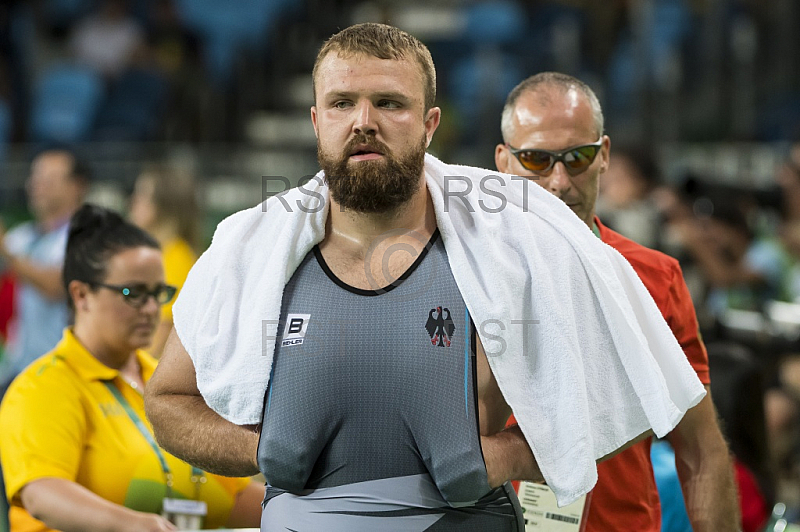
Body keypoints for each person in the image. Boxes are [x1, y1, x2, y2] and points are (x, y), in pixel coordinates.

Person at [144, 24, 705, 531]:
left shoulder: (515, 241)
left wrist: (506, 456)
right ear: (317, 120)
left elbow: (639, 388)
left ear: (430, 123)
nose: (365, 121)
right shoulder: (249, 247)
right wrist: (257, 451)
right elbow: (167, 400)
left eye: (390, 103)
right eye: (343, 103)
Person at [494, 71, 739, 532]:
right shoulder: (461, 274)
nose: (559, 181)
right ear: (503, 162)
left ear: (604, 154)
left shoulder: (656, 277)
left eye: (578, 157)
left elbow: (701, 448)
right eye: (536, 160)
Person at [0, 204, 263, 531]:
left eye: (159, 293)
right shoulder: (42, 387)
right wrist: (131, 525)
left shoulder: (171, 385)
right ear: (82, 295)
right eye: (134, 293)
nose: (153, 308)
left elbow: (231, 498)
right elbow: (41, 493)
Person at [0, 147, 88, 389]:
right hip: (20, 368)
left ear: (77, 186)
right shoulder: (23, 236)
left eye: (48, 180)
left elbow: (56, 286)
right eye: (34, 178)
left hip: (64, 374)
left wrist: (7, 253)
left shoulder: (89, 235)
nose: (36, 186)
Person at [129, 166, 198, 357]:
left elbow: (162, 332)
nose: (134, 201)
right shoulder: (153, 254)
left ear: (164, 206)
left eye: (143, 195)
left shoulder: (176, 257)